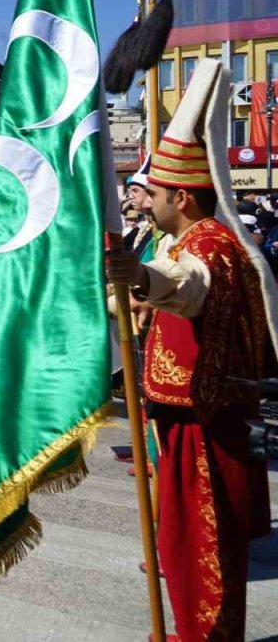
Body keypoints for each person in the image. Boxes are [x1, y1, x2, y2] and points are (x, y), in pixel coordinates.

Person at [106, 59, 277, 642]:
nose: (143, 199)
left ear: (180, 195)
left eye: (151, 191)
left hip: (205, 424)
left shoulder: (209, 245)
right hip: (186, 417)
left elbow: (186, 285)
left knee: (201, 545)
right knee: (182, 544)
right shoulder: (190, 238)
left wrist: (142, 278)